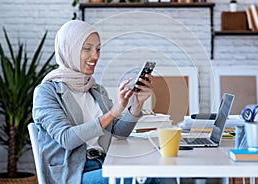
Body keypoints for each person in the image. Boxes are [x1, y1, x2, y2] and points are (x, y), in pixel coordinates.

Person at [32, 20, 177, 184]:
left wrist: (137, 104)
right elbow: (67, 138)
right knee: (147, 177)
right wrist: (112, 113)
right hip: (74, 174)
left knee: (165, 172)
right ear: (69, 50)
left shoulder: (95, 89)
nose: (95, 56)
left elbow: (118, 132)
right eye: (87, 49)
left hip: (105, 163)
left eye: (98, 49)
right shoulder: (46, 92)